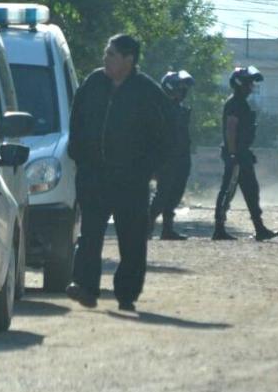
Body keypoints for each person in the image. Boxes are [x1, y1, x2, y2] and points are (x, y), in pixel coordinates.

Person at [65, 34, 168, 312]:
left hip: (131, 181)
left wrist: (147, 170)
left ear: (128, 60)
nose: (105, 59)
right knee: (90, 234)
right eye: (106, 53)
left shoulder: (148, 92)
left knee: (132, 239)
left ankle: (127, 294)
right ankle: (85, 286)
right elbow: (76, 120)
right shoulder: (93, 84)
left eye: (111, 54)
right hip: (94, 175)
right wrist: (79, 155)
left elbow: (164, 136)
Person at [212, 66, 278, 242]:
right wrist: (233, 154)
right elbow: (230, 130)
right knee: (227, 191)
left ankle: (260, 228)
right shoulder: (234, 103)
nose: (251, 87)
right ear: (239, 84)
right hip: (235, 154)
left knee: (251, 191)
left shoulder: (241, 103)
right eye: (249, 83)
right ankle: (218, 230)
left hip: (243, 153)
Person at [149, 70, 195, 240]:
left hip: (181, 158)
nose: (182, 92)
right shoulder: (159, 108)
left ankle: (168, 229)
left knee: (175, 194)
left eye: (184, 89)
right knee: (162, 194)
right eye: (179, 88)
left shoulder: (180, 109)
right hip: (165, 158)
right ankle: (147, 227)